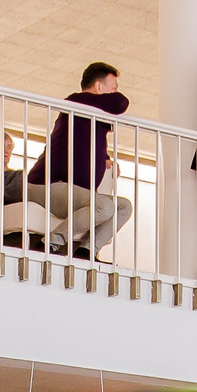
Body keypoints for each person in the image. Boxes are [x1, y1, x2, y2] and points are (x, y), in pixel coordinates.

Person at [30, 61, 135, 259]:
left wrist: (105, 157)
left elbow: (82, 139)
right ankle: (50, 242)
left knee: (124, 206)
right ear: (98, 87)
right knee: (104, 206)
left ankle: (87, 251)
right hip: (48, 185)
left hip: (72, 190)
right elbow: (121, 103)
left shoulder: (90, 115)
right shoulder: (77, 101)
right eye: (113, 89)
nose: (115, 93)